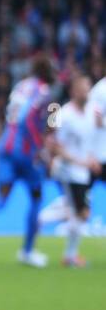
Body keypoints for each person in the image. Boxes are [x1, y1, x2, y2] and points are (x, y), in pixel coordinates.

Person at [0, 55, 57, 267]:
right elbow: (46, 124)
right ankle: (27, 251)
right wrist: (40, 146)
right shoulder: (47, 93)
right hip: (26, 151)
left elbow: (14, 115)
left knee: (2, 196)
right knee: (36, 197)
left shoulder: (21, 86)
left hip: (5, 144)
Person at [47, 75, 99, 268]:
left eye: (88, 88)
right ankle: (69, 255)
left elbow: (89, 141)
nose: (86, 92)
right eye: (83, 89)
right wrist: (79, 161)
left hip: (82, 171)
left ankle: (69, 255)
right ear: (74, 91)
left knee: (79, 212)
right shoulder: (63, 113)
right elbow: (54, 145)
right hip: (68, 170)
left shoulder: (91, 113)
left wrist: (91, 159)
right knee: (81, 212)